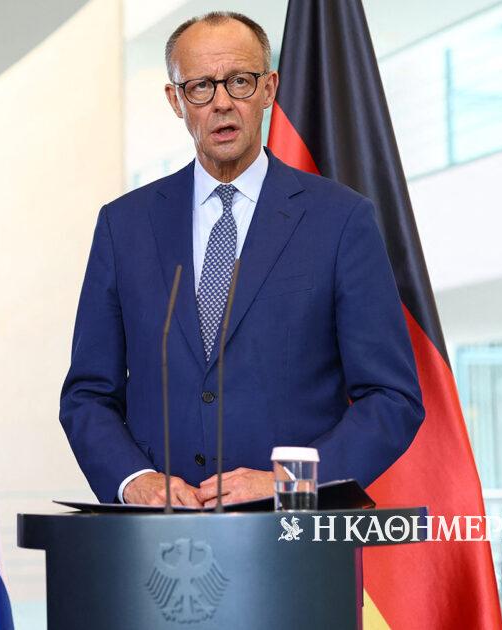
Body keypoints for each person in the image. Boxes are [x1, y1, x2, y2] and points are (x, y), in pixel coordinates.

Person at [59, 12, 424, 507]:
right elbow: (87, 394)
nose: (222, 102)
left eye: (239, 81)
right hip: (157, 534)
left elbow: (392, 398)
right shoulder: (123, 225)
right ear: (176, 100)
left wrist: (288, 481)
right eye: (200, 87)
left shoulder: (341, 219)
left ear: (269, 88)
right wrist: (134, 479)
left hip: (294, 533)